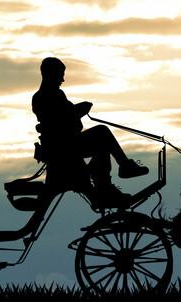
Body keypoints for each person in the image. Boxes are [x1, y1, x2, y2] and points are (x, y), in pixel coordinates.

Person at [32, 57, 148, 207]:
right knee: (102, 132)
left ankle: (106, 186)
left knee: (102, 146)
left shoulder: (51, 95)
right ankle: (120, 170)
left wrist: (77, 110)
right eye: (60, 74)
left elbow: (65, 117)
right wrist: (79, 110)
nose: (63, 79)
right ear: (49, 74)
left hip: (64, 144)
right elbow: (61, 121)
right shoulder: (45, 96)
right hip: (64, 146)